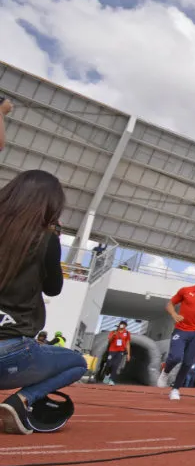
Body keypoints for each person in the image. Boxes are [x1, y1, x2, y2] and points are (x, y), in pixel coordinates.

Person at [0, 170, 87, 434]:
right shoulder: (45, 239)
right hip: (10, 351)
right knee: (77, 363)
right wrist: (53, 237)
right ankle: (21, 400)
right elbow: (54, 288)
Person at [157, 269, 195, 401]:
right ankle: (165, 372)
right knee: (176, 357)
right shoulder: (185, 290)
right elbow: (170, 304)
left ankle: (175, 389)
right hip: (181, 330)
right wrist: (174, 314)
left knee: (188, 362)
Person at [104, 321, 131, 385]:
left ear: (125, 326)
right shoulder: (113, 332)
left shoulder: (127, 333)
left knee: (115, 365)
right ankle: (107, 375)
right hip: (112, 350)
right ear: (119, 325)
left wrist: (128, 354)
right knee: (109, 364)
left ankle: (112, 380)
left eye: (124, 325)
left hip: (121, 351)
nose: (122, 326)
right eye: (121, 324)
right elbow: (109, 341)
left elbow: (127, 344)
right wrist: (113, 335)